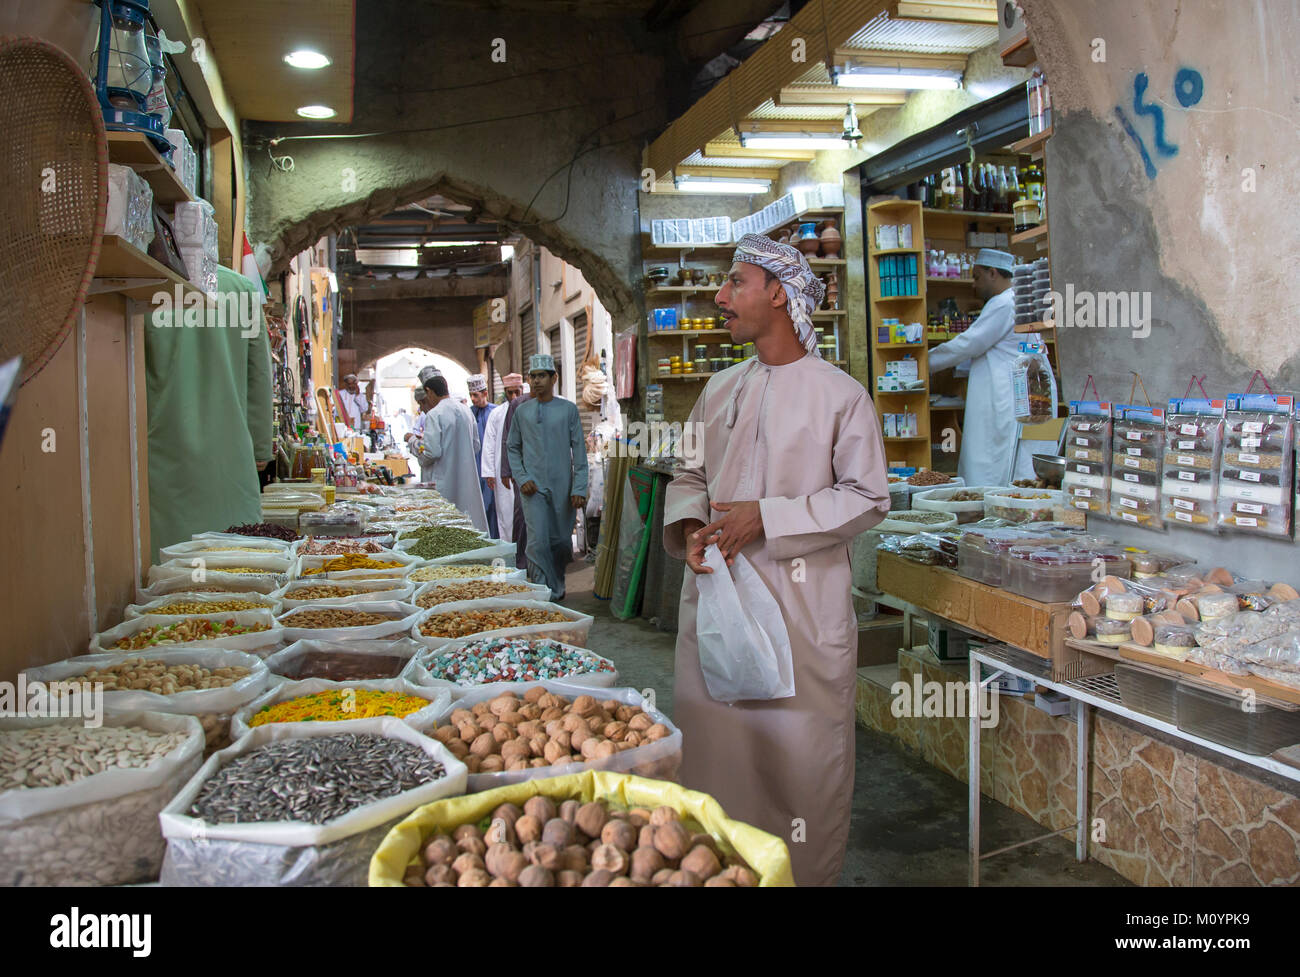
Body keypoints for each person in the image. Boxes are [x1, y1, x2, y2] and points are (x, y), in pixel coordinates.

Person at [663, 234, 890, 886]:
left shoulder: (840, 396)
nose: (719, 296)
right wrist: (691, 528)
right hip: (718, 603)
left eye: (735, 282)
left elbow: (868, 497)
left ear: (779, 293)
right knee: (716, 756)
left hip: (801, 615)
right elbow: (687, 473)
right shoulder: (719, 387)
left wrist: (770, 514)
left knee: (798, 768)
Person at [928, 248, 1035, 485]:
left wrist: (923, 362)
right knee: (1007, 455)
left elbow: (969, 344)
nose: (974, 285)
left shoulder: (1004, 303)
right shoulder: (1020, 300)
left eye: (977, 277)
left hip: (1002, 396)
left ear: (993, 273)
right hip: (1012, 393)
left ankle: (988, 508)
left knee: (992, 455)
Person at [506, 354, 587, 601]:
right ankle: (541, 591)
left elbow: (580, 451)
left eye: (542, 376)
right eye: (533, 376)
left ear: (554, 378)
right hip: (533, 487)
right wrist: (522, 478)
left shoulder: (568, 410)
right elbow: (512, 447)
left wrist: (579, 488)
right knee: (538, 542)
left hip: (563, 488)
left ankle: (556, 585)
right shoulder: (522, 412)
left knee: (561, 542)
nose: (537, 381)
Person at [421, 374, 489, 530]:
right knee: (469, 524)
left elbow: (432, 452)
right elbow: (476, 446)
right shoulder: (466, 411)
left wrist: (415, 448)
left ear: (430, 391)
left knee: (447, 525)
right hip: (468, 478)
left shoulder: (434, 414)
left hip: (445, 479)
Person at [481, 372, 524, 543]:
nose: (513, 396)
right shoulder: (497, 414)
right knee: (506, 514)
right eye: (509, 392)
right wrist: (489, 471)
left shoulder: (530, 409)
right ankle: (510, 554)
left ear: (522, 389)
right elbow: (489, 443)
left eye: (517, 392)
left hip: (527, 471)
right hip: (503, 473)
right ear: (504, 392)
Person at [498, 380, 532, 571]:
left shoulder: (560, 406)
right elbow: (508, 440)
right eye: (535, 376)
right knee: (522, 515)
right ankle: (521, 563)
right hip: (523, 470)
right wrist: (507, 470)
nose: (538, 381)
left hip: (550, 471)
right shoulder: (518, 405)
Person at [467, 374, 498, 538]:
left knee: (494, 506)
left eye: (476, 395)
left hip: (492, 468)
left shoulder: (496, 412)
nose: (473, 399)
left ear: (485, 393)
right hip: (475, 469)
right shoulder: (469, 414)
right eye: (471, 395)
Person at [405, 386, 434, 483]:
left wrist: (411, 439)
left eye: (420, 404)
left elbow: (429, 452)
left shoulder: (436, 417)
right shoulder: (430, 416)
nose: (421, 408)